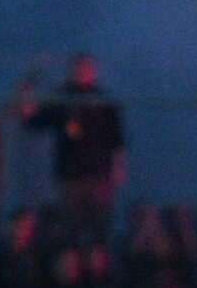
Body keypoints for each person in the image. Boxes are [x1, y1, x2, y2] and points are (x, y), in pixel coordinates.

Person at [20, 54, 127, 227]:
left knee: (100, 224)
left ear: (94, 72)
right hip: (71, 174)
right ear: (72, 71)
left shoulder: (105, 102)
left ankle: (98, 251)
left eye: (88, 69)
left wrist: (119, 169)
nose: (84, 73)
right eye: (80, 69)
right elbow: (35, 121)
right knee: (73, 224)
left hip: (100, 173)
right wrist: (26, 97)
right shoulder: (62, 99)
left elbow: (117, 139)